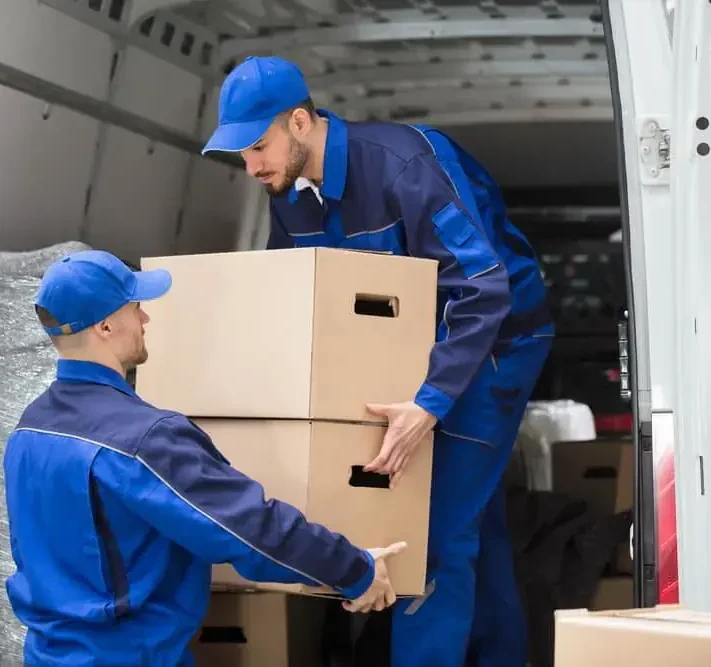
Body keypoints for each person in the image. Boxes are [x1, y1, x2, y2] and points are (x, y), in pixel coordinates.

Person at [201, 56, 554, 667]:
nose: (251, 167)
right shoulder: (290, 194)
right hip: (415, 352)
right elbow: (300, 296)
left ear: (301, 122)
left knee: (432, 532)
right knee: (472, 517)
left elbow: (483, 289)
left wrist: (429, 404)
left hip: (493, 345)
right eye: (242, 154)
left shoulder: (404, 166)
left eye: (258, 147)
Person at [2, 249, 406, 666]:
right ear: (105, 326)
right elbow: (249, 530)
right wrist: (354, 569)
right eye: (135, 307)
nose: (145, 318)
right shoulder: (142, 439)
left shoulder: (28, 430)